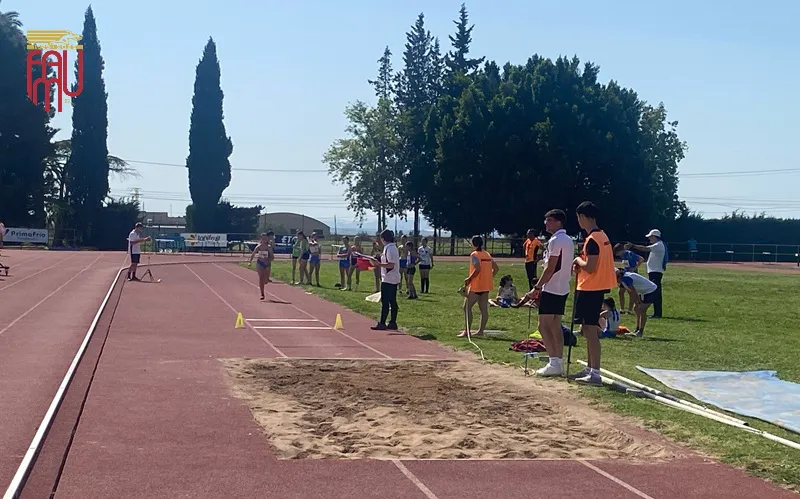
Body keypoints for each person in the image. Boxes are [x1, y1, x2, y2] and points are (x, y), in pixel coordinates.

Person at [523, 209, 574, 376]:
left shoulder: (556, 240)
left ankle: (554, 362)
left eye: (549, 220)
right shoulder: (568, 240)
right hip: (563, 287)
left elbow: (551, 267)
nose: (546, 223)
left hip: (552, 288)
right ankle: (557, 360)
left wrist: (537, 287)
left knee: (543, 325)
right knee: (555, 325)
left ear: (558, 222)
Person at [571, 201, 617, 386]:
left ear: (583, 216)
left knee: (590, 330)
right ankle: (590, 368)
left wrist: (577, 260)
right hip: (595, 287)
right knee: (587, 329)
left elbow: (590, 266)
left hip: (590, 288)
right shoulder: (602, 236)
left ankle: (595, 373)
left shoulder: (592, 240)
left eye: (578, 217)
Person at [458, 235, 499, 338]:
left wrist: (469, 278)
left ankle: (467, 331)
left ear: (473, 243)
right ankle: (481, 331)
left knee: (467, 307)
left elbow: (477, 269)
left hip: (476, 286)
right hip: (486, 286)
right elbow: (496, 268)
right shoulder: (487, 254)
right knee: (483, 309)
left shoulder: (474, 255)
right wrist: (489, 277)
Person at [626, 229, 667, 319]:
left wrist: (633, 246)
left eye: (650, 237)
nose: (649, 239)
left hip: (655, 272)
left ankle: (657, 313)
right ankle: (657, 312)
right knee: (656, 292)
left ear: (655, 237)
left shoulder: (658, 245)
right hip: (654, 271)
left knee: (656, 292)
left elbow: (645, 248)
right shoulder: (658, 245)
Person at [368, 229, 400, 331]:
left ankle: (382, 323)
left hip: (389, 278)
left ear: (383, 239)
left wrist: (378, 264)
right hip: (391, 277)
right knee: (392, 300)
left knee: (386, 301)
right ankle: (392, 322)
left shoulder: (390, 248)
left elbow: (391, 264)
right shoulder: (390, 247)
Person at [616, 268, 658, 337]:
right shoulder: (624, 278)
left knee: (641, 309)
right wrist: (637, 302)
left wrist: (638, 302)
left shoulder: (626, 278)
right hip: (644, 292)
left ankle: (640, 331)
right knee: (637, 308)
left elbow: (632, 292)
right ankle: (637, 329)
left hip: (651, 291)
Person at [613, 243, 644, 314]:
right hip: (624, 274)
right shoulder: (622, 256)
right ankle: (622, 309)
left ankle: (630, 309)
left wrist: (634, 268)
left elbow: (641, 259)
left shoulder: (630, 254)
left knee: (631, 292)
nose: (617, 255)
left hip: (631, 275)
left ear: (621, 250)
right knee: (621, 291)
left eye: (617, 253)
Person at [248, 232, 274, 300]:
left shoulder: (269, 247)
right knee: (261, 278)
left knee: (266, 281)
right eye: (263, 238)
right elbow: (253, 254)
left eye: (265, 239)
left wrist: (268, 260)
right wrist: (250, 262)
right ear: (261, 239)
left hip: (267, 264)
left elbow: (272, 257)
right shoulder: (258, 246)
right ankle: (262, 294)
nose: (264, 240)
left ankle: (266, 280)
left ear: (267, 239)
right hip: (260, 263)